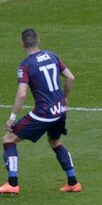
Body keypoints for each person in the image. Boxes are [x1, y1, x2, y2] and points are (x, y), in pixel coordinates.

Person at [0, 29, 81, 195]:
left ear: (22, 43)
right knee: (54, 141)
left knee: (9, 139)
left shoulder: (25, 65)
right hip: (60, 110)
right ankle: (73, 182)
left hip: (44, 113)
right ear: (39, 40)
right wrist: (63, 98)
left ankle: (13, 183)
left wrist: (12, 117)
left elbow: (22, 94)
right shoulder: (53, 55)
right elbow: (71, 78)